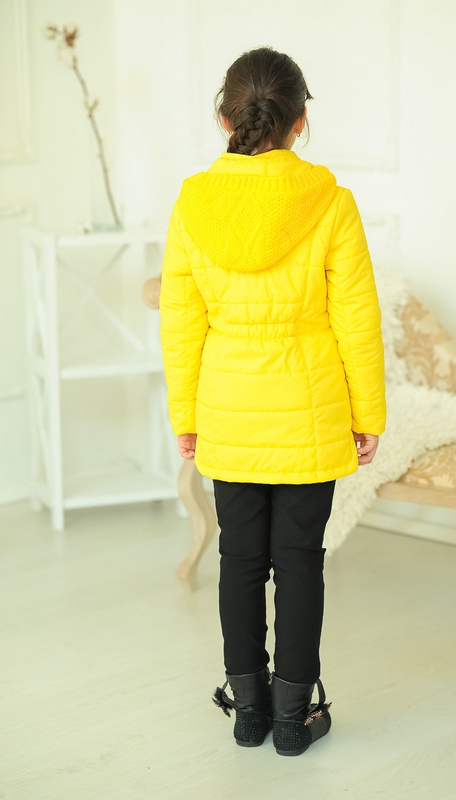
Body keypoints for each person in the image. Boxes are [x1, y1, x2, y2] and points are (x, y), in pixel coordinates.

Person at [159, 45, 386, 757]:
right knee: (299, 562)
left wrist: (185, 416)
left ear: (225, 118)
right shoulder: (332, 202)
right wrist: (367, 416)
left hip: (228, 412)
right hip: (310, 412)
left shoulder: (193, 203)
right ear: (300, 121)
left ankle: (248, 712)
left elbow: (181, 323)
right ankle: (293, 719)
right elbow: (358, 320)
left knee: (239, 561)